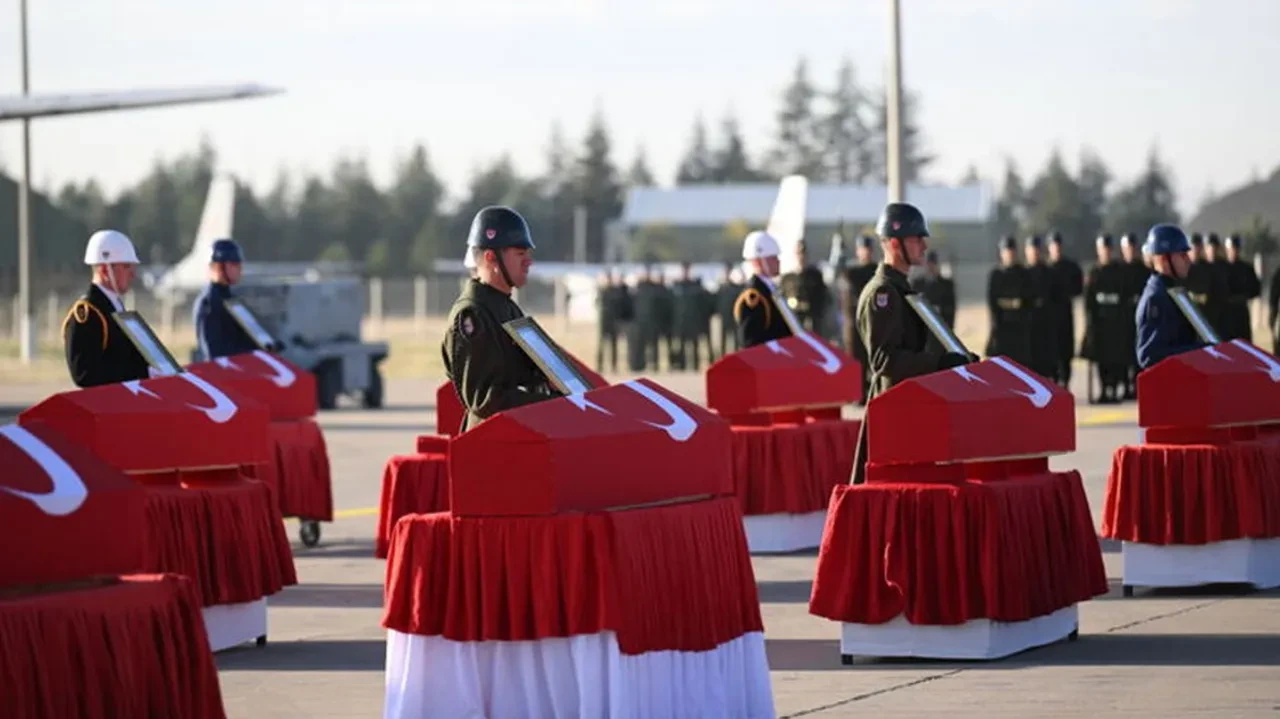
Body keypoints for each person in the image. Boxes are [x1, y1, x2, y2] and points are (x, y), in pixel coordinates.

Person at [851, 202, 974, 485]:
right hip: (893, 410)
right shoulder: (883, 293)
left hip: (910, 405)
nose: (924, 245)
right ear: (895, 244)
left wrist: (957, 359)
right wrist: (939, 363)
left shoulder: (901, 288)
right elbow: (884, 361)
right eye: (916, 239)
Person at [441, 206, 562, 433]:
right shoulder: (473, 315)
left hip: (520, 436)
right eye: (520, 254)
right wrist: (552, 405)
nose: (528, 262)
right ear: (491, 258)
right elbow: (484, 400)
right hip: (492, 444)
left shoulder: (504, 307)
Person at [63, 229, 151, 388]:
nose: (133, 274)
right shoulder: (88, 313)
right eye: (126, 266)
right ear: (104, 270)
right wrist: (141, 373)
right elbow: (84, 374)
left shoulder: (115, 306)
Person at [1135, 224, 1209, 370]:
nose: (1188, 260)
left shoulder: (1172, 291)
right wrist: (1198, 351)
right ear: (1164, 259)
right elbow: (1149, 355)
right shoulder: (1155, 298)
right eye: (1182, 255)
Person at [1080, 234, 1131, 403]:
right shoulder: (1094, 273)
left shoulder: (1120, 272)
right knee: (1101, 359)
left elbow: (1125, 297)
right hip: (1100, 322)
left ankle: (1113, 389)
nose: (1106, 252)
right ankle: (1103, 390)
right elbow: (1089, 300)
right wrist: (1090, 322)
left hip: (1116, 322)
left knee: (1116, 358)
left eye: (1108, 249)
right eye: (1103, 249)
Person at [193, 238, 260, 360]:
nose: (240, 269)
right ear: (219, 267)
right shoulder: (210, 303)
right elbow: (213, 352)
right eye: (234, 264)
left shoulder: (229, 298)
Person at [734, 230, 793, 348]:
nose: (778, 261)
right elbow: (751, 343)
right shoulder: (753, 296)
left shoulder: (771, 288)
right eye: (772, 258)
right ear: (757, 262)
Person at [985, 236, 1034, 368]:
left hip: (1020, 328)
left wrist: (1017, 304)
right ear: (1001, 253)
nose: (1009, 254)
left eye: (1011, 251)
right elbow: (993, 302)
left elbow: (1028, 300)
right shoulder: (996, 275)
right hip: (1002, 327)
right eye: (1006, 251)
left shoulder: (1024, 274)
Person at [840, 235, 878, 404]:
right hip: (854, 323)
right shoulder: (852, 271)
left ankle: (874, 392)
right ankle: (859, 394)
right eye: (863, 249)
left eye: (868, 249)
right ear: (858, 251)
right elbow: (842, 275)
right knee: (857, 359)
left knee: (874, 359)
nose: (866, 253)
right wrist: (839, 255)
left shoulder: (876, 271)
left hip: (873, 321)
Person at [1023, 235, 1063, 381]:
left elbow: (1057, 299)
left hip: (1046, 325)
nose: (1034, 253)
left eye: (1037, 249)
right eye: (1031, 249)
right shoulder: (1022, 274)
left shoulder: (1049, 273)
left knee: (1046, 365)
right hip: (1028, 326)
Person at [1047, 231, 1084, 387]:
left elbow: (1079, 288)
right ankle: (1054, 382)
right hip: (1049, 318)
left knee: (1066, 351)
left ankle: (1066, 382)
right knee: (1050, 351)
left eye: (1058, 246)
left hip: (1065, 314)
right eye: (1054, 246)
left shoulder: (1071, 267)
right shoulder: (1045, 269)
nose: (1056, 249)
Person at [1118, 233, 1148, 399]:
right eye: (1127, 248)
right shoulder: (1118, 271)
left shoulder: (1143, 271)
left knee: (1138, 353)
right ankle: (1125, 385)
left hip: (1140, 318)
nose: (1130, 251)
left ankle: (1137, 385)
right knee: (1124, 354)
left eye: (1132, 248)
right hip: (1123, 319)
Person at [778, 239, 829, 333]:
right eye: (798, 254)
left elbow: (823, 297)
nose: (801, 257)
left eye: (803, 253)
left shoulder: (815, 275)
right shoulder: (787, 279)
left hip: (813, 322)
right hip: (794, 321)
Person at [1222, 235, 1261, 341]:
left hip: (1241, 312)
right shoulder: (1220, 268)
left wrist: (1244, 296)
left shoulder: (1246, 269)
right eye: (1231, 249)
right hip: (1225, 314)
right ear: (1227, 249)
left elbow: (1256, 289)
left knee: (1244, 342)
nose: (1234, 252)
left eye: (1236, 249)